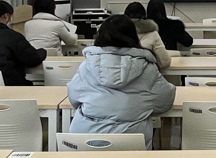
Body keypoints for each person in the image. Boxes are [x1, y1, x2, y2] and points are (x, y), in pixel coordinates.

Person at [67, 15, 176, 149]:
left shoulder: (86, 65)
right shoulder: (147, 68)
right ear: (133, 35)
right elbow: (164, 102)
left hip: (85, 142)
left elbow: (74, 98)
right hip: (131, 142)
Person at [124, 1, 171, 68]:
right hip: (145, 71)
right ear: (144, 15)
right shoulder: (153, 34)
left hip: (118, 72)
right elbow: (165, 62)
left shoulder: (116, 33)